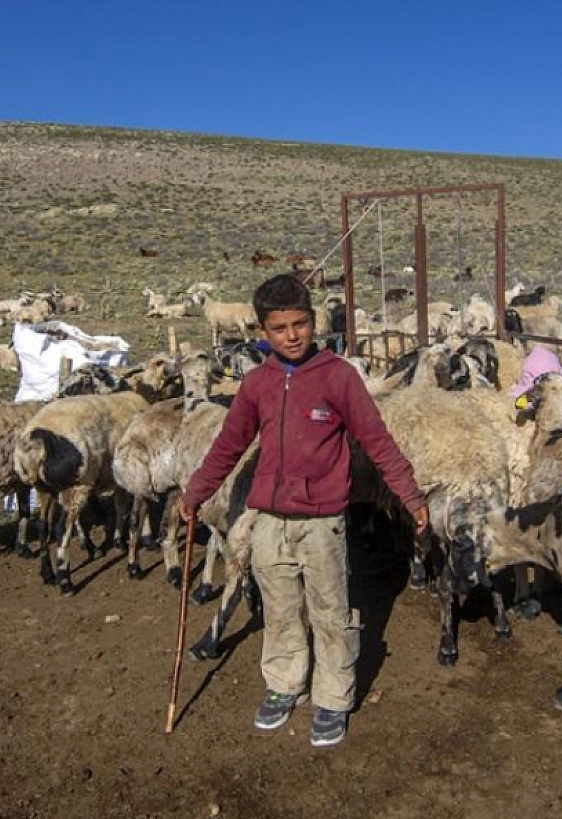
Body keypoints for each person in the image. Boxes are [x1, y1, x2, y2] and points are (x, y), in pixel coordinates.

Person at [179, 274, 428, 748]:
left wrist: (410, 495)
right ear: (262, 331)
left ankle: (333, 695)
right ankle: (284, 683)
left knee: (330, 608)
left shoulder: (338, 377)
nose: (292, 336)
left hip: (322, 520)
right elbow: (228, 447)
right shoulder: (256, 385)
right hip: (271, 518)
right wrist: (194, 493)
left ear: (314, 321)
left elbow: (377, 441)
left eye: (300, 324)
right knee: (280, 606)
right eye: (279, 328)